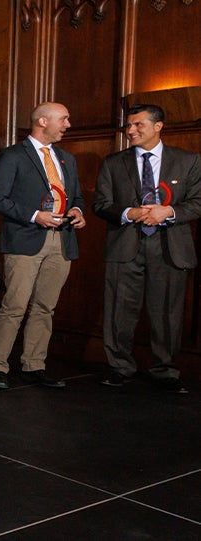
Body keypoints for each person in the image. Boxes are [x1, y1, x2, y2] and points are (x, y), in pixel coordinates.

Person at [92, 104, 201, 394]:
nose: (130, 131)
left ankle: (165, 371)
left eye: (138, 125)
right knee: (118, 312)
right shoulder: (113, 163)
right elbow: (101, 205)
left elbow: (198, 203)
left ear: (158, 126)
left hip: (169, 248)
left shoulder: (188, 161)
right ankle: (119, 368)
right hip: (125, 245)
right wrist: (130, 213)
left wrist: (169, 211)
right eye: (129, 125)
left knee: (167, 313)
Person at [0, 102, 86, 390]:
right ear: (43, 121)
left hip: (62, 241)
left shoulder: (67, 158)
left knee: (45, 307)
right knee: (14, 306)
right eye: (63, 119)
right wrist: (34, 215)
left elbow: (76, 197)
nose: (67, 125)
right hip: (25, 239)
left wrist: (78, 212)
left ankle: (33, 365)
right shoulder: (14, 155)